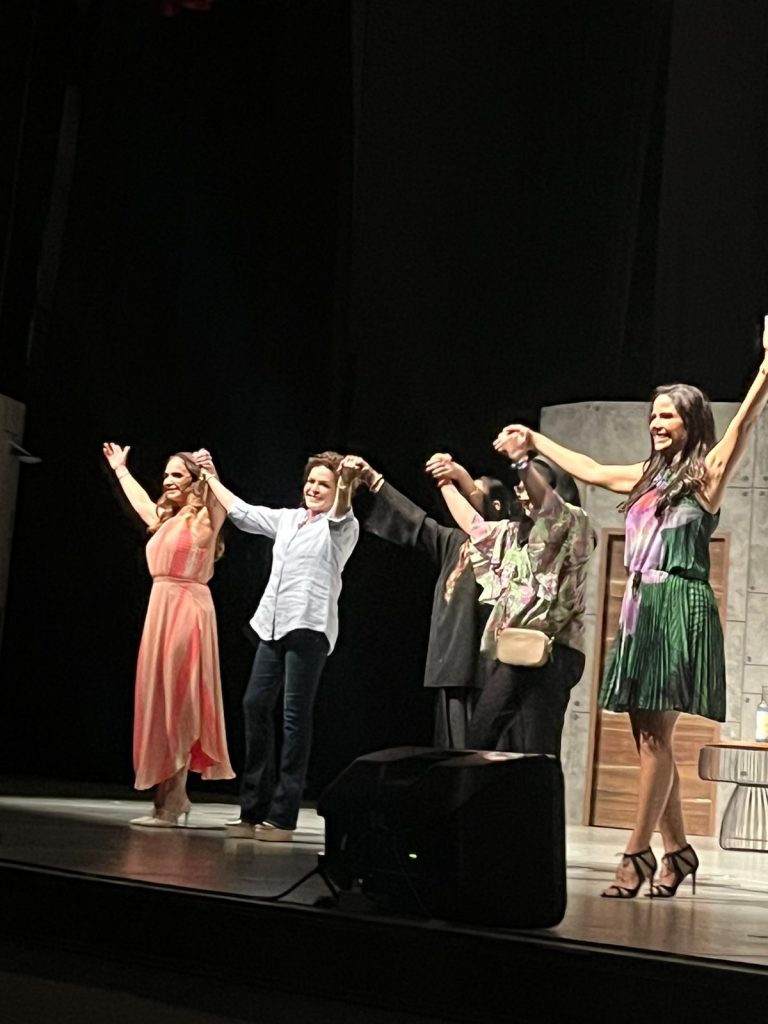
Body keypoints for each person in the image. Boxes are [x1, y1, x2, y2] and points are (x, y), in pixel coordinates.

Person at [500, 320, 768, 898]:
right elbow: (592, 470)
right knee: (647, 735)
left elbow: (745, 421)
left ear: (691, 421)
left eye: (667, 415)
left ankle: (636, 853)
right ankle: (679, 850)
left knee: (654, 736)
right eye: (653, 416)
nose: (656, 423)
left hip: (677, 604)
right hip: (640, 606)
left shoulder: (705, 475)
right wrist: (536, 442)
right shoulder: (646, 477)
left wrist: (767, 366)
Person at [193, 448, 362, 842]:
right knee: (254, 704)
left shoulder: (342, 526)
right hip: (273, 625)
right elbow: (243, 512)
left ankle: (283, 817)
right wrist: (211, 476)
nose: (314, 488)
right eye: (311, 481)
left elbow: (340, 510)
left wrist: (346, 483)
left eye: (324, 484)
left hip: (309, 627)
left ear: (337, 489)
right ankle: (252, 810)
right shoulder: (289, 520)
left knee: (293, 717)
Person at [426, 442, 595, 757]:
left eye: (528, 483)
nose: (522, 491)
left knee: (538, 748)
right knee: (479, 736)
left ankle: (540, 791)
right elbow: (474, 526)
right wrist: (446, 480)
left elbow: (548, 504)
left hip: (555, 652)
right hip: (517, 649)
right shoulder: (512, 533)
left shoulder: (573, 523)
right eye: (519, 485)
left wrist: (520, 460)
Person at [102, 443, 234, 827]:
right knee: (159, 699)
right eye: (165, 475)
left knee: (180, 700)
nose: (167, 481)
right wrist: (120, 470)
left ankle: (173, 801)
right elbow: (142, 503)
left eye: (177, 474)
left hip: (188, 609)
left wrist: (211, 473)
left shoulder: (206, 518)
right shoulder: (167, 520)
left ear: (195, 480)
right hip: (160, 609)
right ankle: (168, 799)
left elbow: (222, 502)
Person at [353, 457, 516, 747]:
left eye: (472, 492)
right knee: (450, 749)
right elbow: (414, 521)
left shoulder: (508, 544)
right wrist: (374, 479)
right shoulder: (454, 542)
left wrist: (454, 477)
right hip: (451, 662)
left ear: (496, 506)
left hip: (485, 667)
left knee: (483, 747)